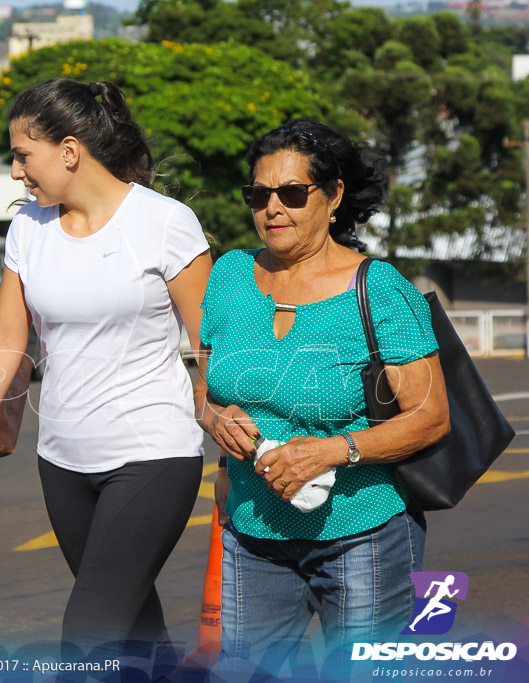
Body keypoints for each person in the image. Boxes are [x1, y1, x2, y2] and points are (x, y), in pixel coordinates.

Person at [0, 78, 213, 664]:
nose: (15, 173)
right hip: (62, 461)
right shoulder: (28, 230)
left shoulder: (164, 221)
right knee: (135, 630)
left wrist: (228, 430)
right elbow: (6, 343)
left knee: (87, 638)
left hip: (152, 455)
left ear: (69, 151)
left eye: (22, 155)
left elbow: (208, 343)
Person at [197, 119, 450, 678]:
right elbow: (205, 384)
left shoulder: (377, 287)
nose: (272, 209)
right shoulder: (230, 275)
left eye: (291, 193)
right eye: (258, 195)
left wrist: (334, 450)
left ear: (333, 196)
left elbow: (431, 418)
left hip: (360, 536)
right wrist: (215, 416)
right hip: (252, 532)